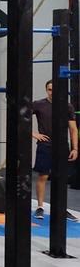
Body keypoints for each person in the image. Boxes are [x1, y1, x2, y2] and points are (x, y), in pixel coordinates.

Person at [31, 79, 78, 219]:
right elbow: (20, 118)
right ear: (46, 90)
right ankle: (40, 207)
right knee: (43, 176)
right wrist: (33, 134)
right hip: (45, 145)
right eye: (50, 89)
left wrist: (75, 148)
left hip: (62, 147)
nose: (52, 92)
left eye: (54, 89)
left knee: (61, 178)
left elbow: (73, 129)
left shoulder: (67, 106)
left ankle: (62, 208)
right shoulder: (39, 105)